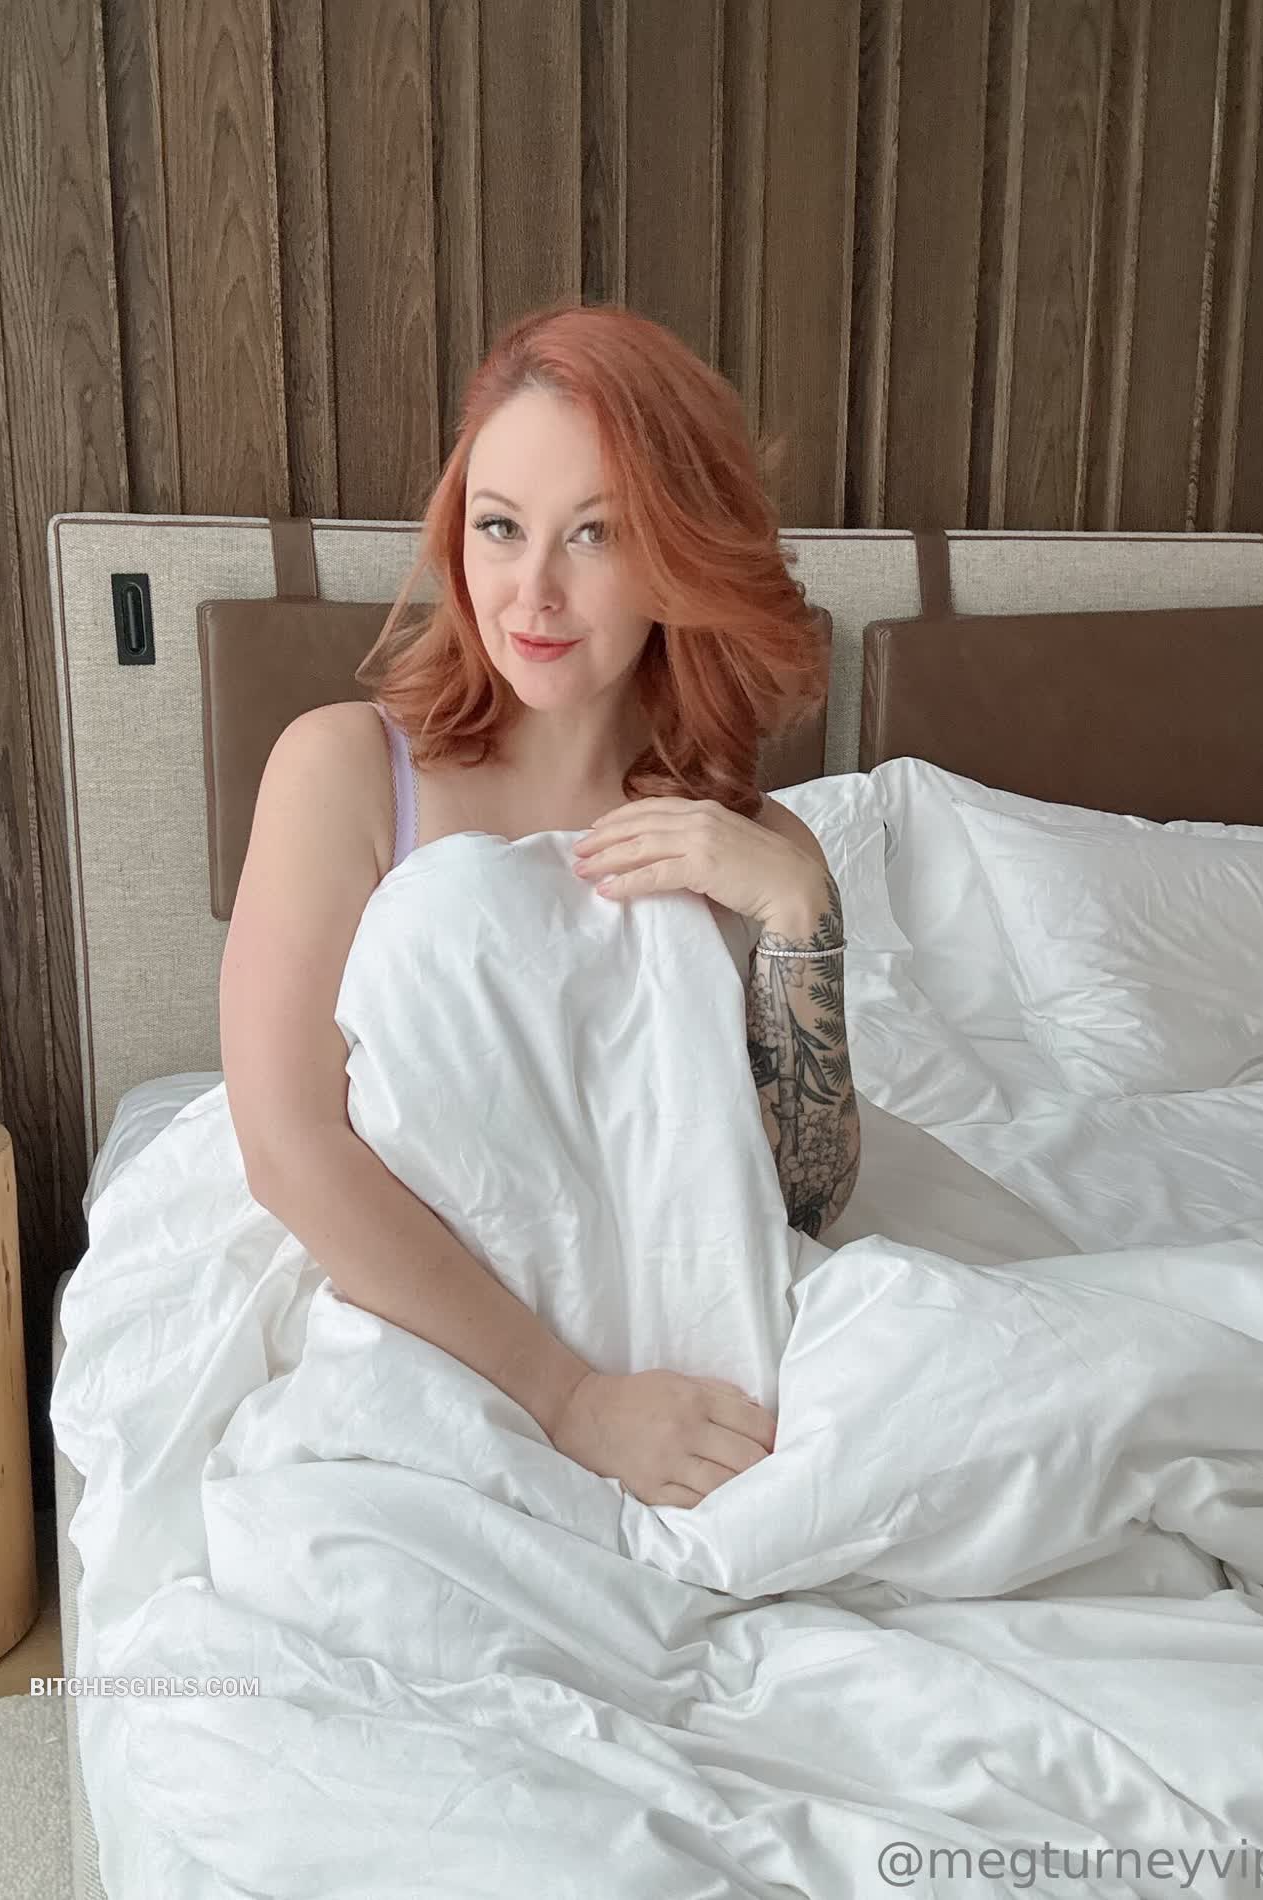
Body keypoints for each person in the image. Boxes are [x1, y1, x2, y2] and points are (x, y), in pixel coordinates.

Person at [219, 301, 861, 1511]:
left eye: (595, 534)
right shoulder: (346, 770)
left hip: (704, 1349)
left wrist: (803, 921)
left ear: (680, 549)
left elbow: (804, 1202)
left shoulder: (749, 844)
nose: (534, 592)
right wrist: (571, 1399)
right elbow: (288, 1146)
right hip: (431, 1338)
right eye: (500, 526)